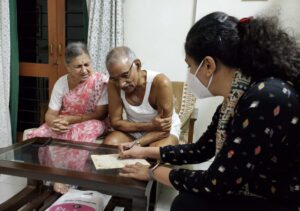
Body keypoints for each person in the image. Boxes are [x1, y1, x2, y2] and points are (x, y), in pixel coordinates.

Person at [118, 12, 300, 211]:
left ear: (208, 65)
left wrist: (152, 172)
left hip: (283, 199)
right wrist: (142, 150)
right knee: (187, 200)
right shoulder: (235, 99)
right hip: (259, 187)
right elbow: (201, 149)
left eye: (189, 66)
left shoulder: (264, 97)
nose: (189, 74)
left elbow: (217, 182)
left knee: (186, 204)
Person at [27, 42, 109, 193]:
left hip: (93, 122)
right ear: (68, 67)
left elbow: (100, 114)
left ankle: (71, 180)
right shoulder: (61, 82)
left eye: (87, 64)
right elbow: (50, 114)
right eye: (78, 66)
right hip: (64, 120)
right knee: (38, 134)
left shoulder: (100, 82)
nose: (84, 70)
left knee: (75, 132)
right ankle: (53, 178)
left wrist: (69, 120)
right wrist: (54, 124)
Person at [103, 46, 181, 147]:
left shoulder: (160, 83)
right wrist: (150, 126)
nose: (121, 84)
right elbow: (116, 122)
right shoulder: (113, 83)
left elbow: (164, 129)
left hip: (162, 132)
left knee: (154, 151)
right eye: (115, 78)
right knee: (110, 144)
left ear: (137, 65)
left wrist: (135, 145)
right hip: (135, 130)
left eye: (125, 75)